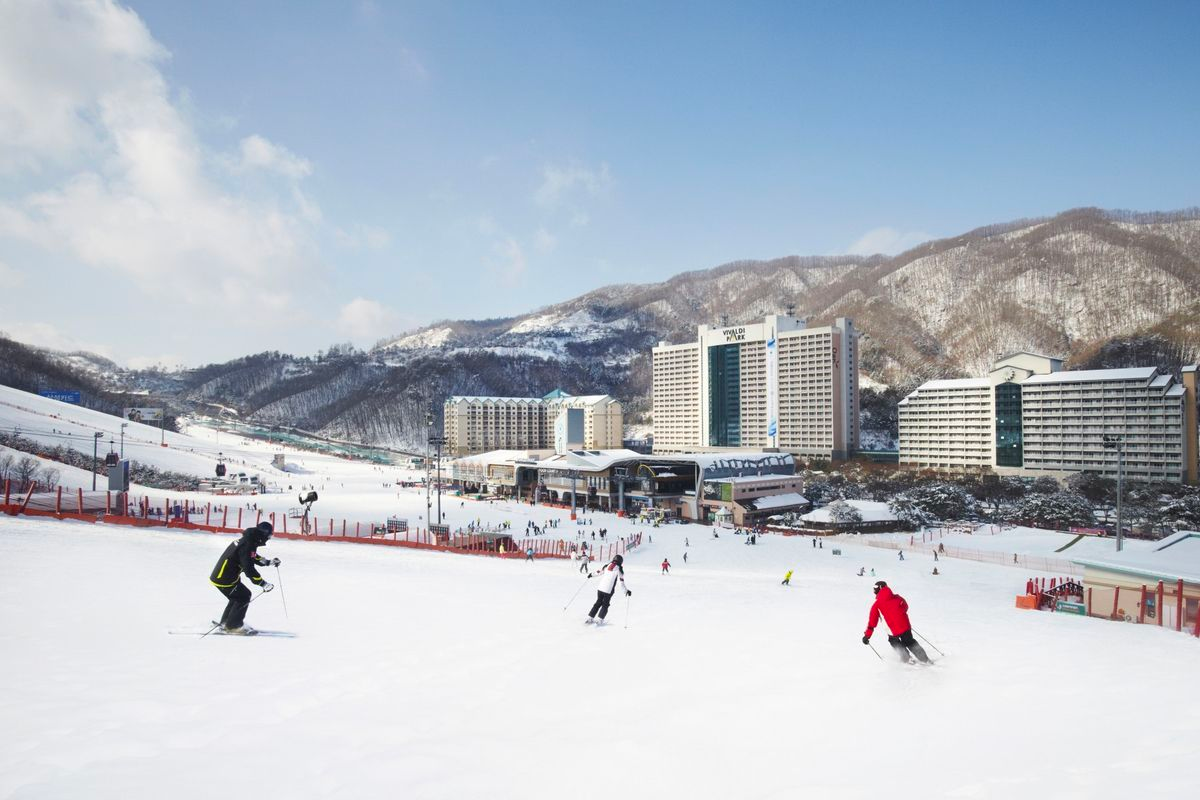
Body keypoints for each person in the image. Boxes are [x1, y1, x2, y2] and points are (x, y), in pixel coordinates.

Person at [210, 521, 277, 634]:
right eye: (269, 536)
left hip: (223, 576)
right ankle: (233, 626)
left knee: (237, 597)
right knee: (243, 596)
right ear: (264, 534)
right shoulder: (248, 544)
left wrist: (268, 562)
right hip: (224, 578)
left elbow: (252, 556)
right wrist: (262, 583)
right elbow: (248, 568)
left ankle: (226, 623)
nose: (269, 538)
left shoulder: (249, 540)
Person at [862, 581, 930, 664]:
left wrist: (867, 636)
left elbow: (872, 623)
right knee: (910, 642)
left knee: (894, 642)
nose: (874, 590)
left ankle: (907, 659)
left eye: (875, 588)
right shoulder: (897, 597)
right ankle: (925, 659)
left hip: (892, 631)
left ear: (880, 588)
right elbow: (905, 607)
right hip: (905, 627)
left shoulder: (876, 605)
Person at [586, 554, 631, 624]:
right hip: (608, 590)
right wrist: (626, 591)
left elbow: (599, 572)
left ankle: (590, 618)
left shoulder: (607, 566)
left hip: (600, 588)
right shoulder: (619, 569)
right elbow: (621, 582)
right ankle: (600, 619)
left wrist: (591, 574)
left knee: (598, 602)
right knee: (605, 604)